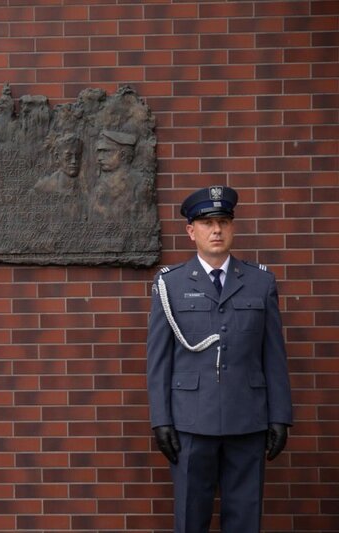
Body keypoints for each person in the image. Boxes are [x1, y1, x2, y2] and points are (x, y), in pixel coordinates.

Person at [146, 185, 293, 532]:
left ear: (232, 227)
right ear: (190, 231)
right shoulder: (171, 284)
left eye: (224, 221)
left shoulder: (260, 282)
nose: (216, 230)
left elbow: (273, 354)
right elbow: (158, 359)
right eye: (207, 223)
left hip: (248, 418)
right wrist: (161, 420)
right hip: (191, 421)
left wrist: (280, 416)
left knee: (245, 517)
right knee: (190, 519)